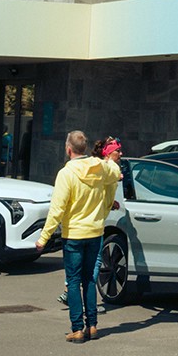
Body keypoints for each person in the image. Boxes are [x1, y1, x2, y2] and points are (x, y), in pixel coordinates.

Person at [37, 130, 122, 343]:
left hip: (74, 233)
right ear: (83, 148)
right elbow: (115, 172)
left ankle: (77, 329)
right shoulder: (100, 167)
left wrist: (43, 238)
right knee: (89, 280)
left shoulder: (66, 174)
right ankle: (92, 325)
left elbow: (57, 209)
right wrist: (110, 155)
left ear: (68, 149)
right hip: (95, 232)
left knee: (73, 282)